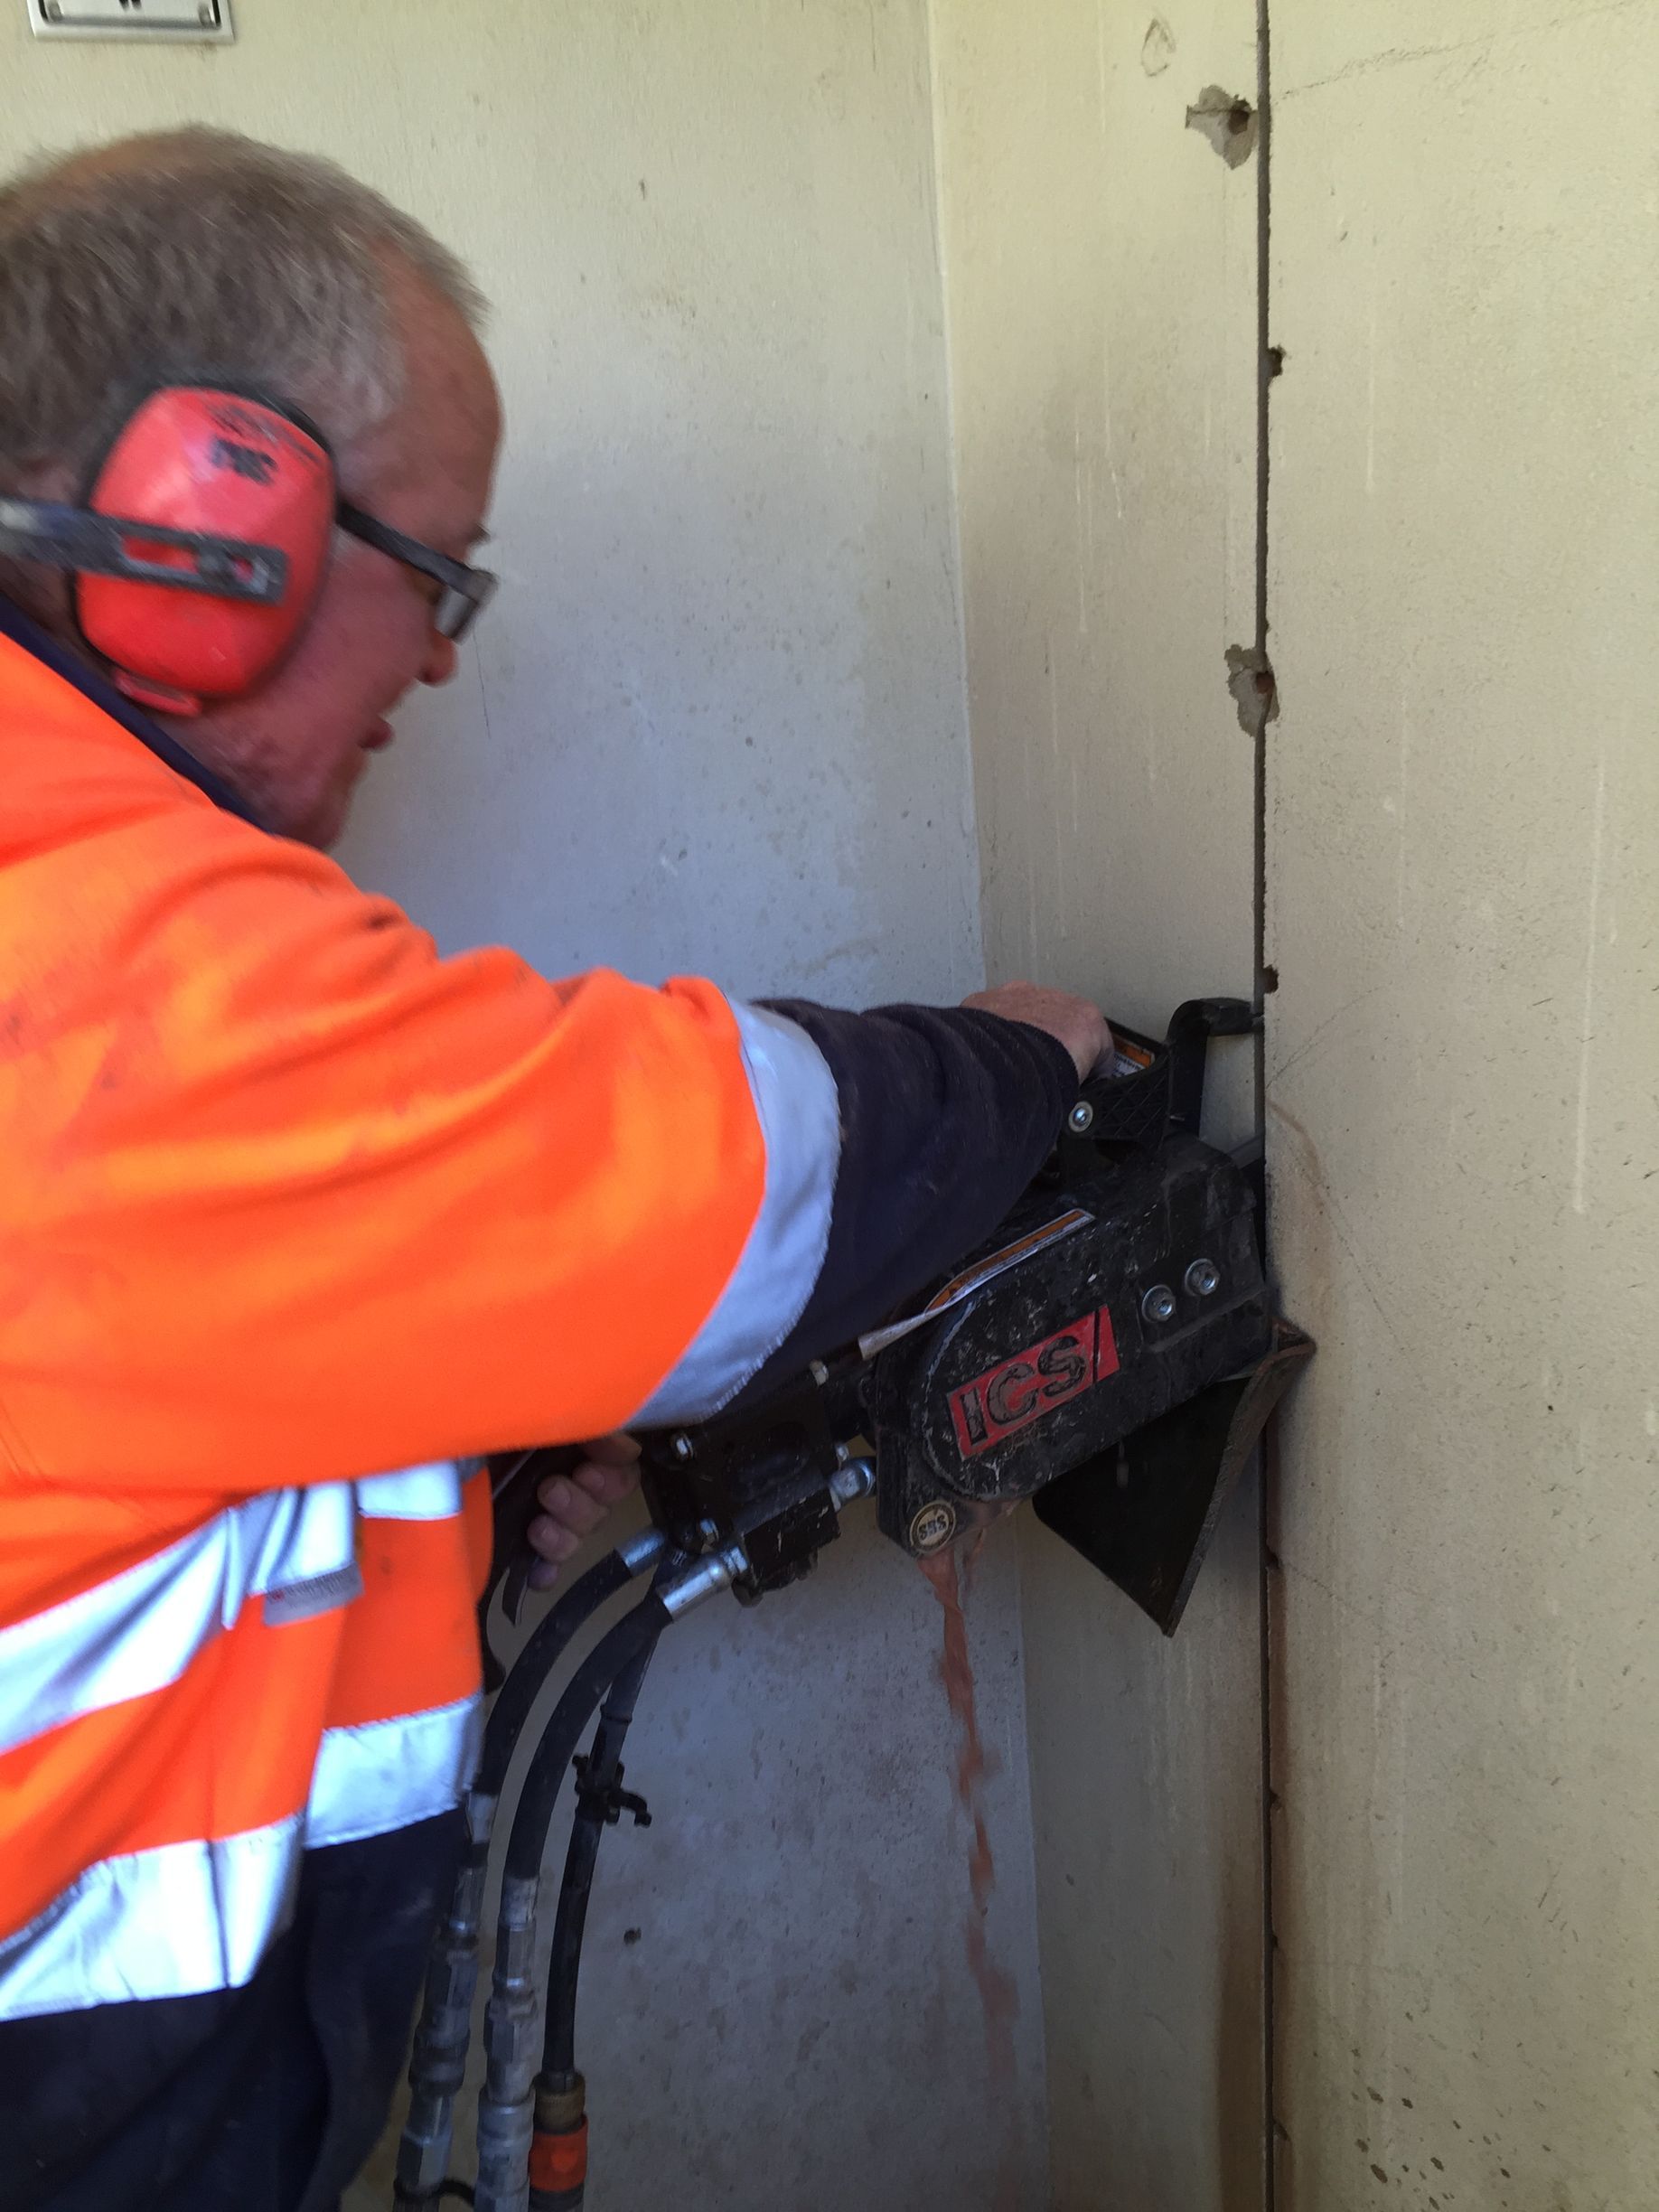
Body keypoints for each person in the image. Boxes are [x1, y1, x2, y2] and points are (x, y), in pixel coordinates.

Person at [0, 130, 1110, 2212]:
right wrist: (1029, 1063)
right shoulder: (85, 941)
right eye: (442, 580)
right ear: (202, 534)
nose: (440, 663)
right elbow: (727, 1178)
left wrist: (468, 1498)